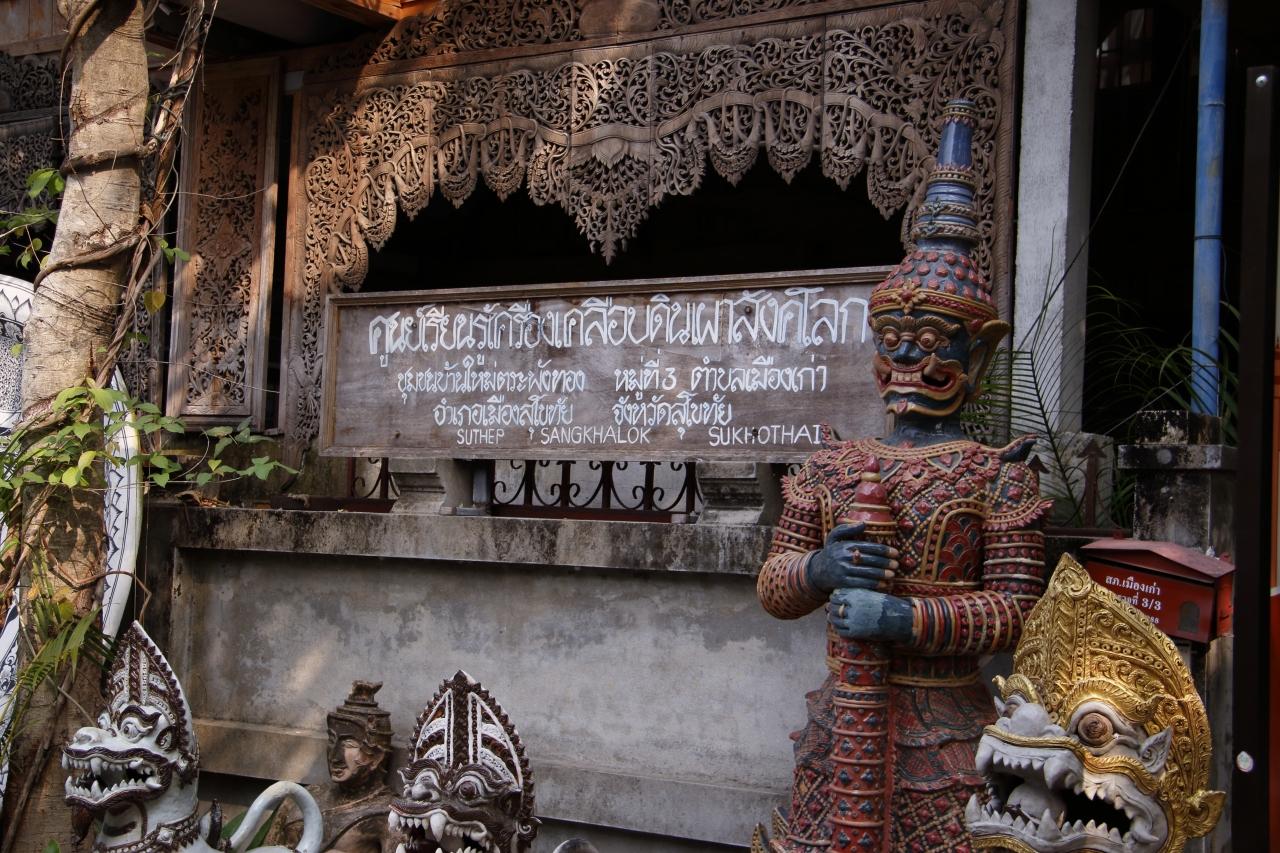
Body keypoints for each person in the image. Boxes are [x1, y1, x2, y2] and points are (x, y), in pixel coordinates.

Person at [754, 100, 1050, 853]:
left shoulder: (998, 476)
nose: (908, 359)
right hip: (841, 726)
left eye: (930, 340)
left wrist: (905, 620)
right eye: (891, 339)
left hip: (947, 728)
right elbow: (774, 586)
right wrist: (819, 569)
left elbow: (1016, 612)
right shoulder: (832, 466)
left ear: (978, 353)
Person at [270, 681, 395, 853]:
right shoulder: (302, 798)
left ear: (376, 758)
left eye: (349, 744)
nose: (335, 756)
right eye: (332, 740)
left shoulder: (389, 814)